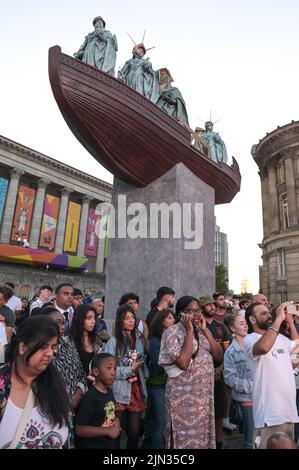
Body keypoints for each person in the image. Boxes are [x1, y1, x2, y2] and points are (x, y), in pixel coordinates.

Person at [159, 296, 223, 449]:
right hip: (181, 398)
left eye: (197, 310)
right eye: (189, 311)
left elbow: (219, 357)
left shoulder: (201, 331)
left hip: (203, 397)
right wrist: (189, 332)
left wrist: (205, 330)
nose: (195, 314)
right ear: (180, 313)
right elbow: (183, 363)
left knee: (202, 437)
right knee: (182, 438)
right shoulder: (172, 332)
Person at [0, 315, 71, 448]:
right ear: (22, 347)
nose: (50, 353)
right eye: (43, 347)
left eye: (53, 347)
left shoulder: (57, 384)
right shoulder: (3, 387)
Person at [244, 301, 299, 449]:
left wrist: (291, 322)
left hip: (289, 411)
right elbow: (263, 347)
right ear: (252, 320)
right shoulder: (251, 339)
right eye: (264, 313)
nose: (269, 315)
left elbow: (296, 358)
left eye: (269, 312)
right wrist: (278, 319)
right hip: (270, 415)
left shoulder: (282, 339)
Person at [105, 304, 147, 449]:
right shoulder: (113, 341)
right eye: (126, 318)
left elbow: (142, 365)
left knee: (135, 431)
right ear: (120, 321)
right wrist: (130, 369)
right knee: (114, 429)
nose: (131, 321)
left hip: (136, 389)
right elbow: (109, 371)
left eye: (132, 318)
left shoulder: (139, 340)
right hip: (118, 390)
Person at [41, 306, 87, 411]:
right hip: (49, 408)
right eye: (58, 322)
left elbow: (81, 374)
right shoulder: (39, 351)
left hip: (73, 409)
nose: (62, 326)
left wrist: (77, 395)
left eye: (63, 322)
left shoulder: (69, 346)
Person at [75, 353, 121, 449]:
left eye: (115, 369)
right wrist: (108, 431)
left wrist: (116, 421)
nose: (113, 372)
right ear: (96, 371)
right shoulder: (90, 397)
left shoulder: (110, 392)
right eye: (109, 368)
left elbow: (110, 417)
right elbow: (79, 429)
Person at [224, 314, 254, 448]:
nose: (246, 325)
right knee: (250, 438)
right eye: (241, 323)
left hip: (261, 396)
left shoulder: (254, 344)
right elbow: (229, 378)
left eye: (246, 323)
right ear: (232, 328)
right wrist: (251, 386)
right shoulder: (231, 351)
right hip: (246, 398)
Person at [146, 309, 175, 448]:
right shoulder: (155, 340)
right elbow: (158, 367)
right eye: (169, 318)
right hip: (158, 385)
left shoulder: (170, 337)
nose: (173, 320)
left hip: (168, 384)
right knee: (160, 424)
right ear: (161, 321)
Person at [67, 305, 102, 381]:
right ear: (80, 319)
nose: (93, 321)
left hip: (92, 384)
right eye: (89, 318)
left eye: (94, 318)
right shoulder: (68, 341)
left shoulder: (97, 341)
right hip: (74, 384)